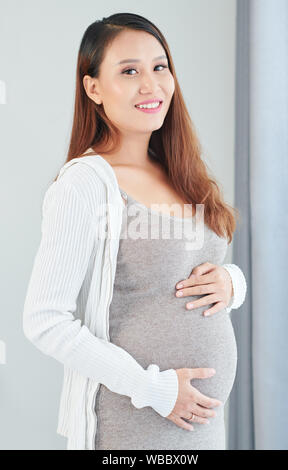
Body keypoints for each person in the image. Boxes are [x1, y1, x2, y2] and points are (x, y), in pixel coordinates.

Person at [23, 13, 247, 450]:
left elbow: (189, 274)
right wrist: (155, 390)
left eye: (159, 67)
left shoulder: (182, 174)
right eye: (130, 71)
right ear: (93, 88)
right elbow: (44, 320)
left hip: (202, 427)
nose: (151, 84)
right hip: (136, 424)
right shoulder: (85, 183)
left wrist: (231, 283)